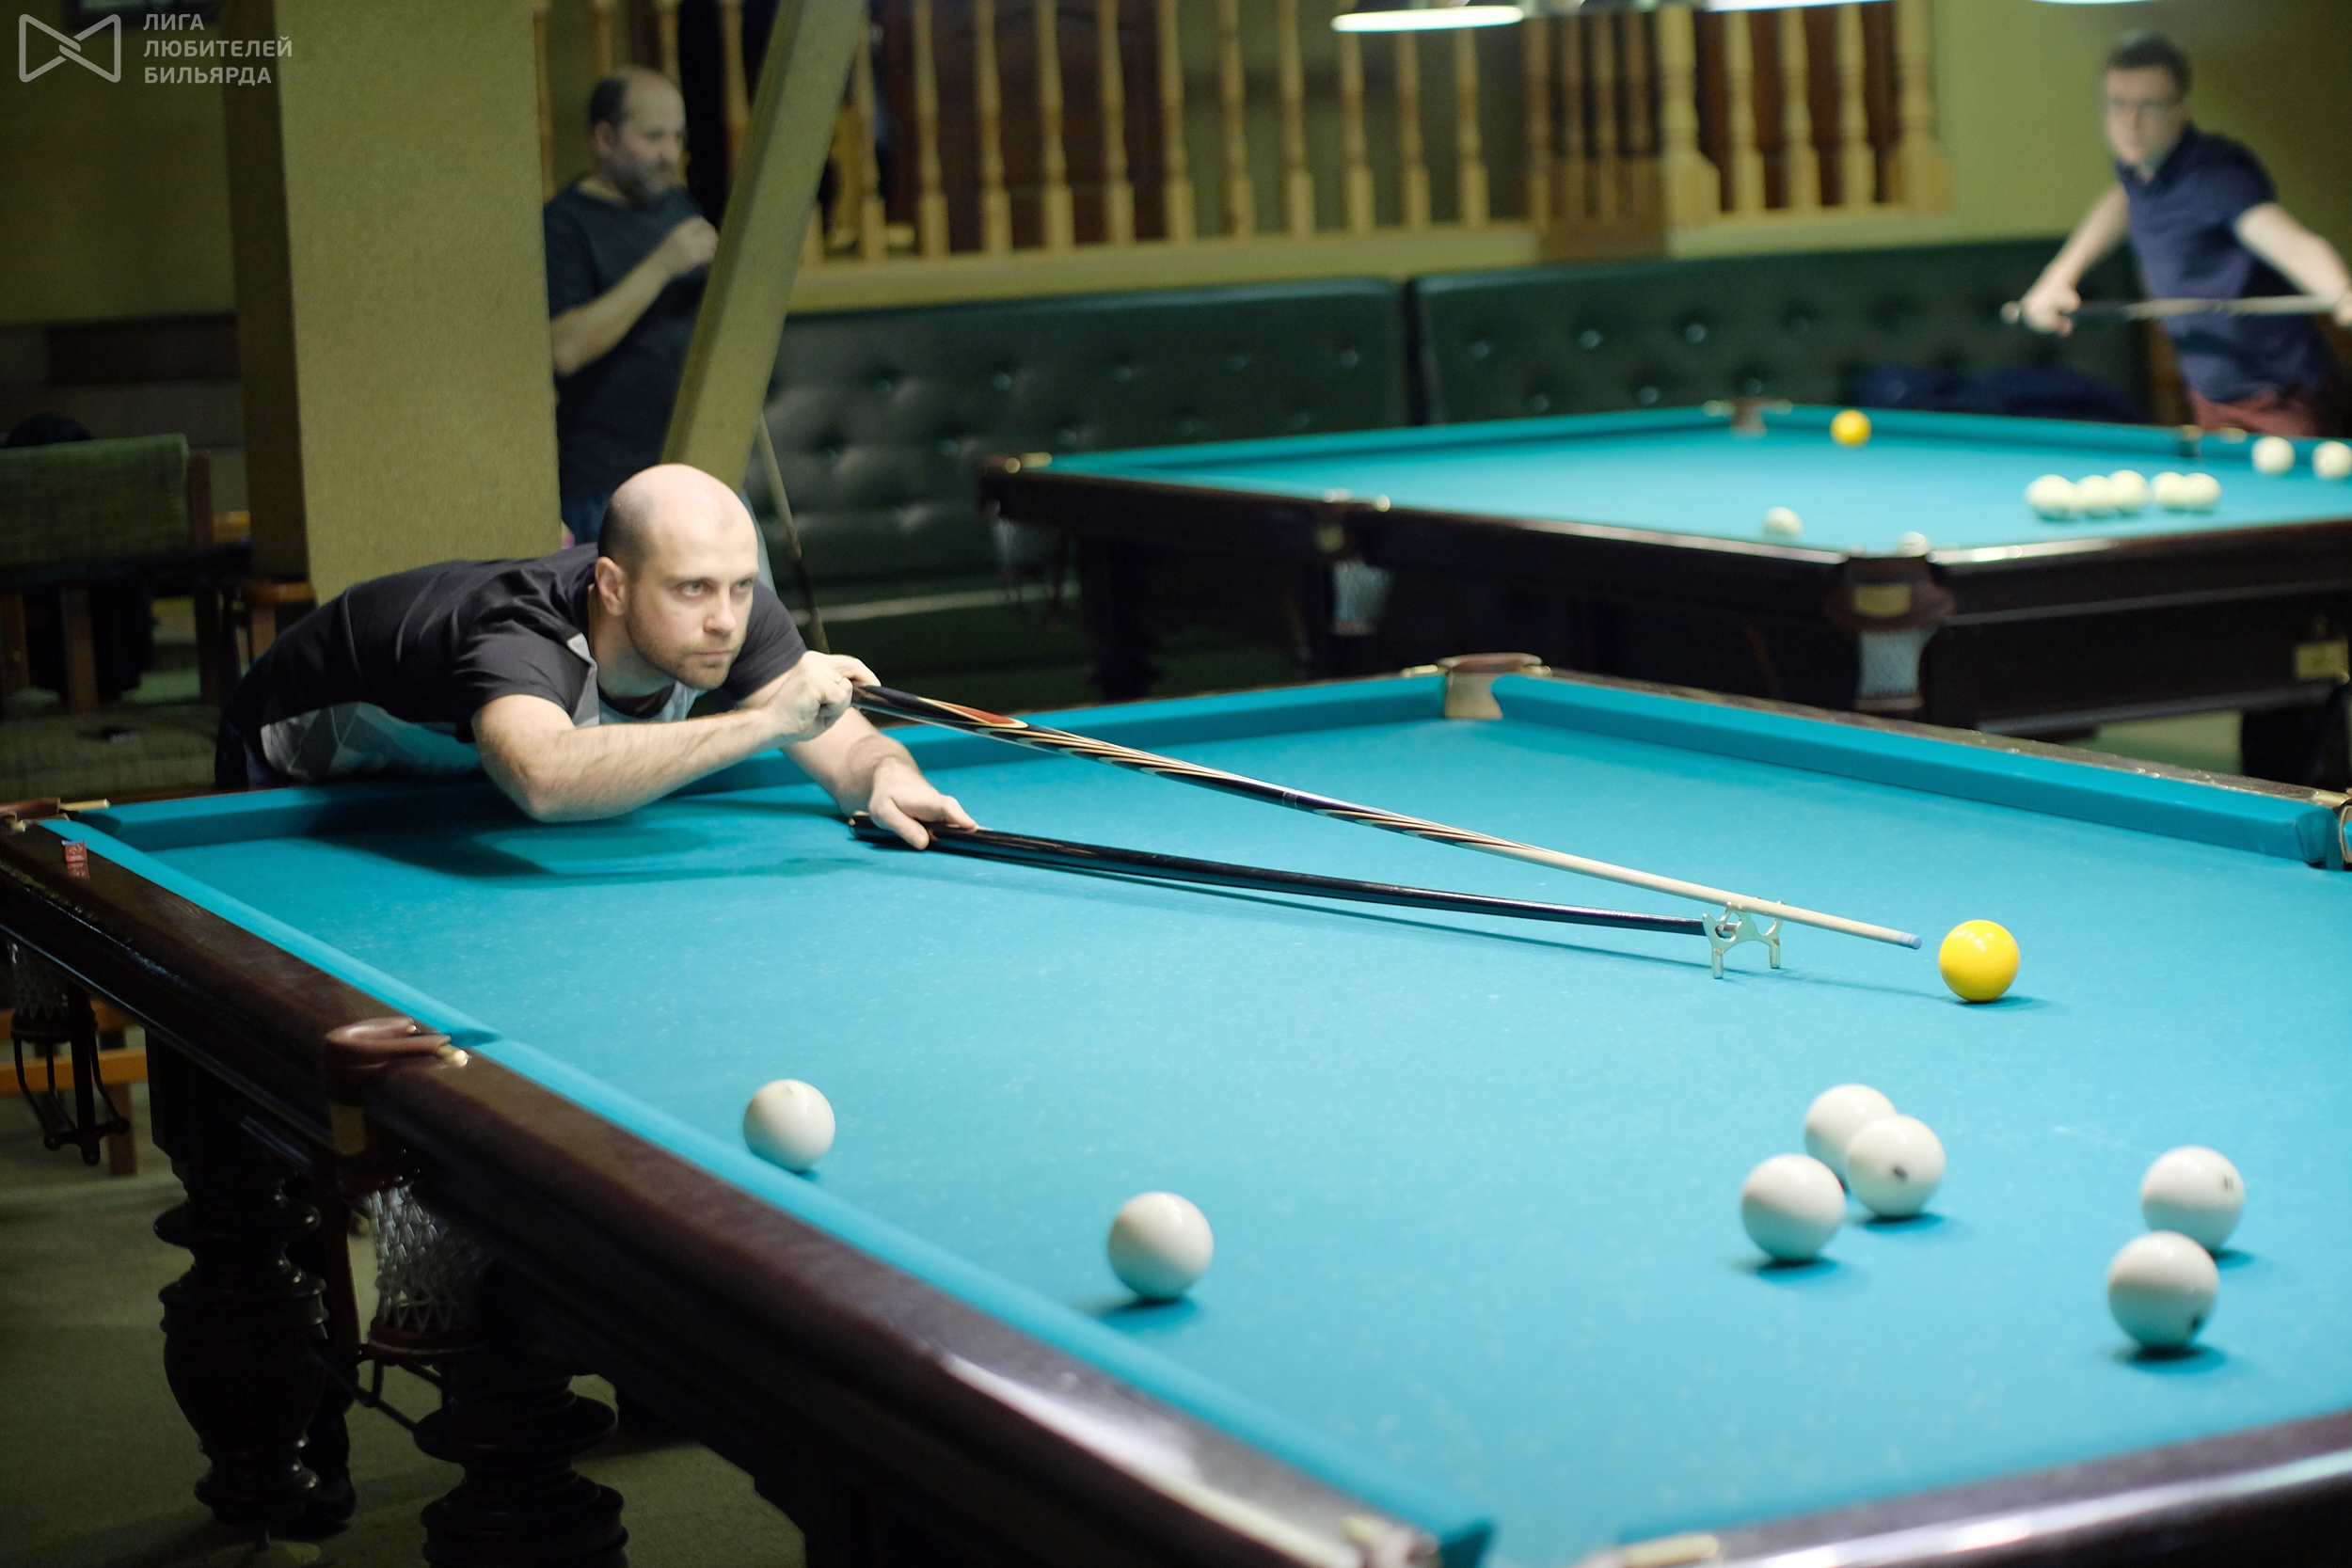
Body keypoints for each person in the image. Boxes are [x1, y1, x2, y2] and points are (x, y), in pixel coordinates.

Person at [215, 465, 971, 845]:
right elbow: (544, 779)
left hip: (437, 763)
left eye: (741, 586)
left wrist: (887, 776)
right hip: (290, 763)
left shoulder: (730, 611)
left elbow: (846, 749)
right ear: (611, 585)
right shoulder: (518, 631)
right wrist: (767, 721)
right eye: (691, 588)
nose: (724, 619)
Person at [2018, 30, 2352, 437]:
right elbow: (2123, 199)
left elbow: (2293, 245)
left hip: (2280, 394)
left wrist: (2341, 293)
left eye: (2150, 106)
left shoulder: (2215, 178)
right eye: (2118, 104)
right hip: (2211, 395)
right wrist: (2058, 278)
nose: (2130, 123)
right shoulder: (2141, 169)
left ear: (2182, 108)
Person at [544, 69, 720, 546]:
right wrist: (663, 265)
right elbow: (565, 349)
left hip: (698, 466)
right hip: (611, 483)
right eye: (653, 137)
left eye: (677, 137)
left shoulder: (677, 205)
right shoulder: (565, 224)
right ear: (605, 137)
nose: (670, 154)